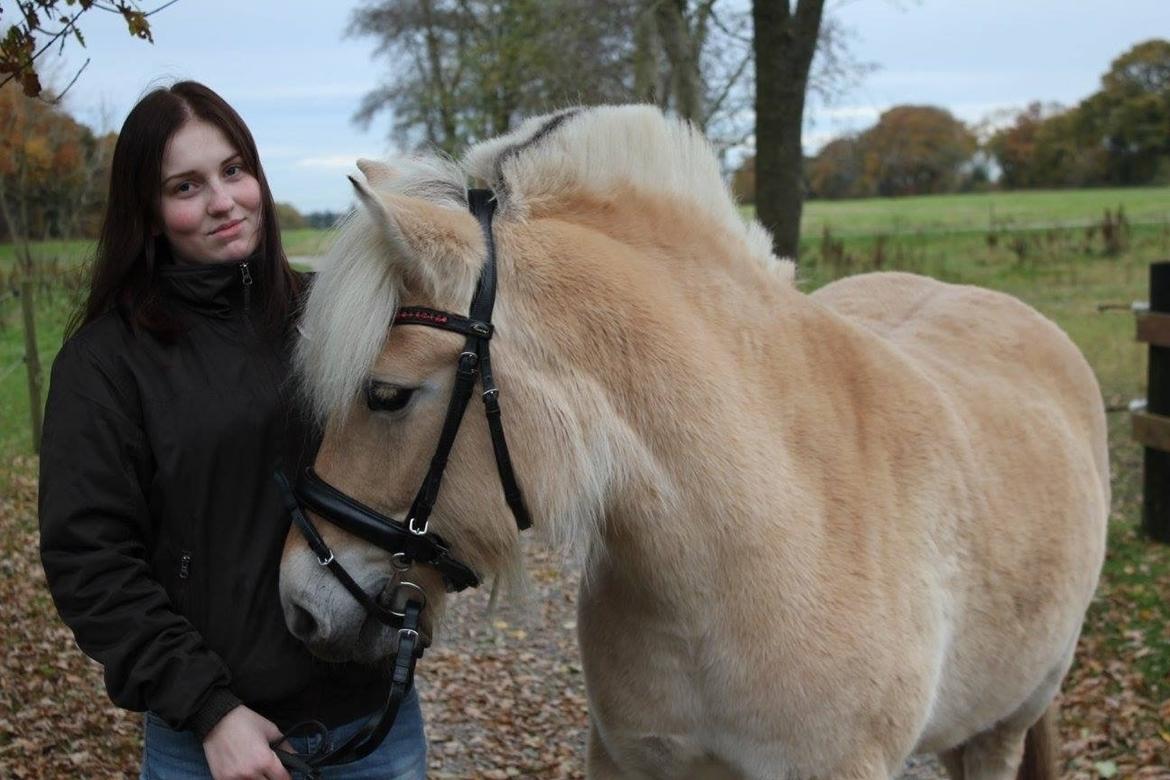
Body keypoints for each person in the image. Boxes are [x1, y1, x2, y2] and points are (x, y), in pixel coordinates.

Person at [38, 81, 427, 780]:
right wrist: (210, 709)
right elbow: (89, 559)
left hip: (374, 724)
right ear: (150, 214)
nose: (223, 201)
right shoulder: (106, 364)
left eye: (234, 170)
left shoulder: (334, 316)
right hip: (214, 745)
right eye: (185, 186)